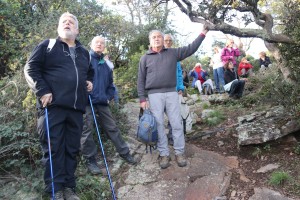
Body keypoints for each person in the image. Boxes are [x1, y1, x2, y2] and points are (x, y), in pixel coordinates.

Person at [24, 12, 94, 200]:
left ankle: (69, 188)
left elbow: (90, 73)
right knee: (54, 149)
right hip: (52, 107)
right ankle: (55, 190)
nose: (68, 24)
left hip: (77, 109)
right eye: (64, 22)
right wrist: (42, 90)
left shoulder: (84, 52)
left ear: (77, 30)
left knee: (72, 149)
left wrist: (89, 81)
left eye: (71, 22)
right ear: (58, 27)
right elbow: (30, 68)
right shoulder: (48, 45)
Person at [137, 26, 209, 169]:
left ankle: (179, 152)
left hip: (171, 93)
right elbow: (140, 80)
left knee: (176, 124)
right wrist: (142, 99)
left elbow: (191, 48)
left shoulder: (173, 53)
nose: (157, 39)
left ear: (164, 40)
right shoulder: (145, 58)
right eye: (154, 37)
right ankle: (164, 154)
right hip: (153, 95)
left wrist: (203, 33)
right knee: (158, 125)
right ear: (150, 41)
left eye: (159, 37)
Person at [81, 36, 136, 175]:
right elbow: (78, 77)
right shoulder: (85, 59)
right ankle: (90, 160)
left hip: (101, 101)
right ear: (92, 45)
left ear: (104, 46)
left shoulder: (106, 65)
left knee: (112, 127)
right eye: (97, 43)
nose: (99, 45)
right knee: (86, 130)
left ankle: (124, 153)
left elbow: (111, 85)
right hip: (86, 101)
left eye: (102, 43)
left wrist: (108, 97)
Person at [163, 33, 185, 146]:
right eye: (165, 40)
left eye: (170, 40)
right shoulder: (157, 54)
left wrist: (180, 87)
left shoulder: (175, 56)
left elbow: (179, 73)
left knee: (174, 114)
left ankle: (171, 137)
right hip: (159, 92)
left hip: (173, 90)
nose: (167, 42)